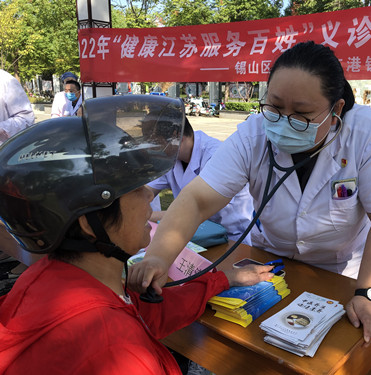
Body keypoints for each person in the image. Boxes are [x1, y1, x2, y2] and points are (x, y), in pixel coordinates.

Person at [129, 41, 371, 347]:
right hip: (271, 262)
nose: (284, 121)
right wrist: (157, 258)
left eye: (302, 113)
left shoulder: (366, 133)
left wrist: (367, 293)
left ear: (336, 110)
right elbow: (196, 200)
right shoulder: (253, 135)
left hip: (341, 272)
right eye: (275, 108)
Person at [0, 95, 274, 374]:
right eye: (135, 189)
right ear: (88, 223)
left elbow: (147, 315)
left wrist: (222, 280)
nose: (149, 196)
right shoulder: (119, 354)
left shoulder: (56, 278)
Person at [148, 118, 254, 244]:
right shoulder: (172, 157)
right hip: (199, 233)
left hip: (233, 237)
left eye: (158, 144)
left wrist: (145, 216)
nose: (156, 150)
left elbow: (196, 210)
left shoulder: (216, 155)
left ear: (176, 137)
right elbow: (148, 191)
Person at [0, 69, 35, 277]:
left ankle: (27, 261)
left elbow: (26, 117)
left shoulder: (5, 81)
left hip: (5, 160)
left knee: (12, 214)